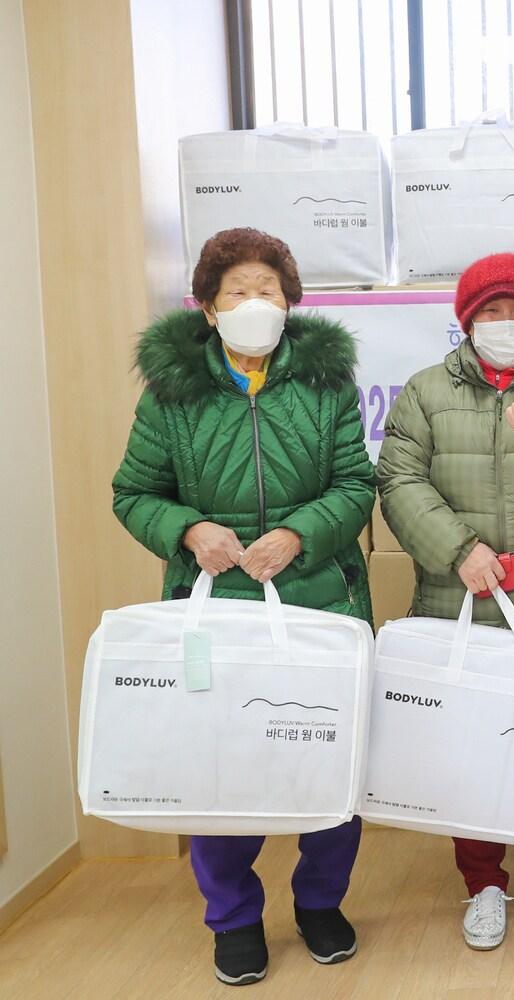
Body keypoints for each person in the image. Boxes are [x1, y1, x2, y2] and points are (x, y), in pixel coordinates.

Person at [112, 227, 374, 986]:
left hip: (320, 602)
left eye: (269, 290)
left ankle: (320, 903)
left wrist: (299, 534)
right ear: (208, 307)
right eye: (239, 291)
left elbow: (357, 484)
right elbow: (134, 493)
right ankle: (232, 917)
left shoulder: (326, 383)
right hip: (218, 613)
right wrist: (188, 530)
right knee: (221, 770)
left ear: (289, 304)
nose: (256, 303)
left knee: (329, 765)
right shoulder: (172, 393)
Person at [376, 252, 514, 951]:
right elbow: (398, 481)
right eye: (491, 312)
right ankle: (483, 885)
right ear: (468, 321)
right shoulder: (423, 391)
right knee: (469, 751)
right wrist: (459, 549)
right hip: (459, 601)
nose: (506, 323)